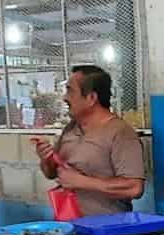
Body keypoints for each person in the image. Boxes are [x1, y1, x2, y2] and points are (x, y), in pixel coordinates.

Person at [34, 65, 144, 216]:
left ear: (91, 98)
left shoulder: (121, 133)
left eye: (70, 91)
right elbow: (52, 174)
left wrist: (81, 182)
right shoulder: (70, 129)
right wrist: (46, 159)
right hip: (70, 228)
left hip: (107, 232)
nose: (65, 98)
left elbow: (134, 188)